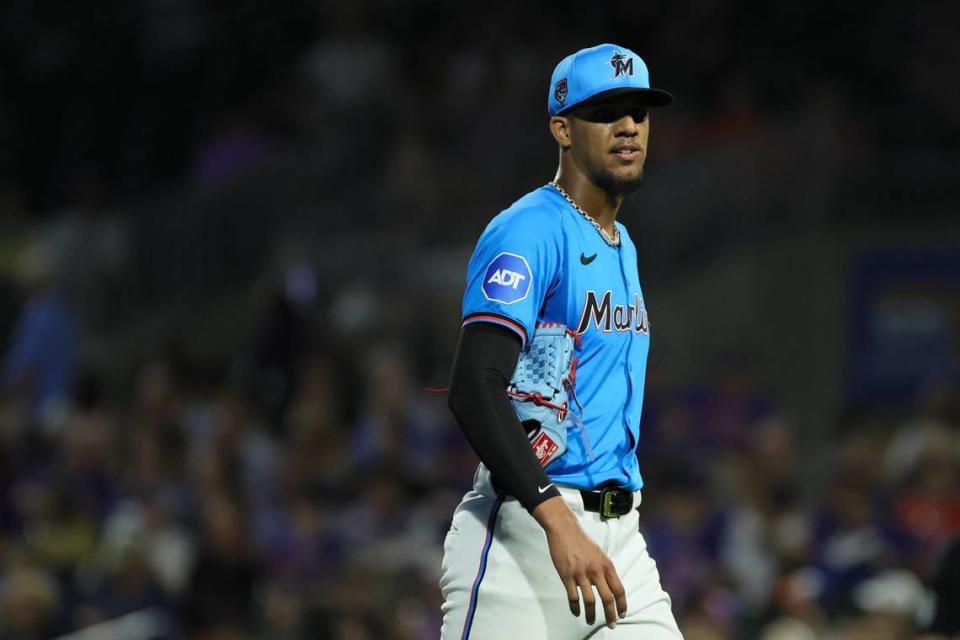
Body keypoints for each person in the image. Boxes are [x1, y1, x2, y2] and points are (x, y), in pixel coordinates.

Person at [440, 44, 683, 639]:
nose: (628, 127)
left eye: (639, 112)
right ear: (563, 128)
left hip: (619, 538)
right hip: (525, 535)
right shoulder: (530, 228)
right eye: (606, 111)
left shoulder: (621, 243)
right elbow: (475, 386)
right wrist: (556, 520)